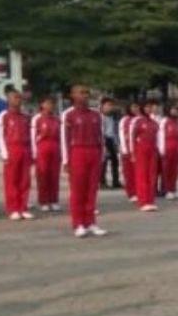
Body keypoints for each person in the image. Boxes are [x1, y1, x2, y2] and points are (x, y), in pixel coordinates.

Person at [61, 85, 107, 237]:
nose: (85, 95)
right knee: (78, 190)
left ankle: (91, 222)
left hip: (94, 151)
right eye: (81, 93)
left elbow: (101, 136)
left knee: (92, 189)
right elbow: (64, 139)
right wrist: (66, 160)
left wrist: (102, 155)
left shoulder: (96, 115)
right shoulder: (68, 114)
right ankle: (78, 223)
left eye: (87, 93)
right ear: (73, 95)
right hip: (78, 151)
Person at [0, 90, 35, 221]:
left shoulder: (26, 116)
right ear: (8, 100)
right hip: (12, 148)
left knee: (25, 180)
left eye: (19, 98)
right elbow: (1, 136)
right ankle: (13, 208)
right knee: (12, 180)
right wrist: (4, 153)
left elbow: (31, 136)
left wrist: (32, 152)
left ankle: (23, 207)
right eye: (15, 98)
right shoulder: (4, 116)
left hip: (25, 148)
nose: (18, 100)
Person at [32, 96, 62, 212]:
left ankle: (53, 200)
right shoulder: (37, 119)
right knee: (43, 175)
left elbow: (60, 136)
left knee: (54, 175)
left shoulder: (56, 119)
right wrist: (34, 153)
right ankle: (43, 201)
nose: (50, 106)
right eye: (47, 103)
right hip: (42, 148)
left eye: (52, 104)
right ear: (42, 104)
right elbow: (32, 136)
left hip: (55, 148)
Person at [130, 99, 160, 212]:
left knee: (151, 175)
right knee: (142, 175)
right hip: (141, 149)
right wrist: (132, 153)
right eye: (146, 107)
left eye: (150, 107)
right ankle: (143, 201)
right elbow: (132, 137)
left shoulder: (154, 123)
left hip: (152, 150)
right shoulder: (137, 121)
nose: (149, 109)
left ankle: (150, 200)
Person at [158, 105, 178, 200]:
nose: (175, 111)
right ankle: (166, 190)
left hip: (176, 148)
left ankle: (173, 189)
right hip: (167, 147)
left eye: (176, 110)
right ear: (169, 110)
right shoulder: (164, 121)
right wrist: (162, 149)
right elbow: (160, 135)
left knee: (175, 171)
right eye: (173, 109)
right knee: (166, 171)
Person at [119, 101, 141, 203]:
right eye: (133, 107)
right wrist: (125, 150)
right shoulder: (124, 120)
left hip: (138, 150)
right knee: (129, 173)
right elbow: (122, 136)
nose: (135, 109)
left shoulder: (140, 119)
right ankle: (131, 193)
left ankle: (139, 192)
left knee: (138, 173)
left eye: (137, 107)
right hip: (127, 150)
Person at [99, 97, 122, 190]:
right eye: (108, 105)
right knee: (103, 162)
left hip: (112, 139)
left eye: (111, 105)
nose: (110, 107)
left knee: (115, 161)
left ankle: (115, 181)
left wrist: (117, 143)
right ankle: (102, 182)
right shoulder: (100, 116)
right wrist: (103, 143)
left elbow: (115, 130)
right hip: (104, 138)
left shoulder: (114, 116)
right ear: (102, 106)